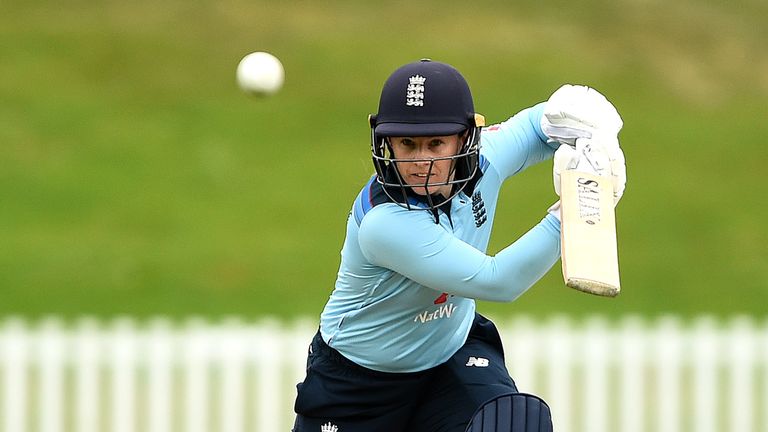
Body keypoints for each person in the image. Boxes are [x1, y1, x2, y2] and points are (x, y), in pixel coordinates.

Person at [292, 59, 626, 432]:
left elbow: (538, 126)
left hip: (452, 358)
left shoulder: (485, 160)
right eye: (407, 144)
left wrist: (589, 131)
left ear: (466, 138)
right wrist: (576, 210)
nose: (422, 162)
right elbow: (499, 281)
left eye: (436, 142)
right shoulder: (384, 223)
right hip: (357, 387)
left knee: (513, 424)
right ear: (386, 143)